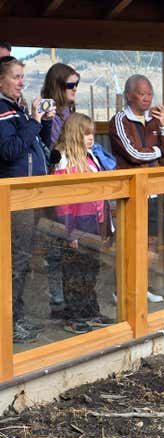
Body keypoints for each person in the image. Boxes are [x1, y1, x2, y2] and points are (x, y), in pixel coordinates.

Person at [0, 56, 55, 342]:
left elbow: (37, 146)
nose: (22, 82)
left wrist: (42, 123)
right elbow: (9, 151)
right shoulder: (1, 111)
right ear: (1, 80)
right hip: (14, 196)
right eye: (16, 77)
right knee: (15, 259)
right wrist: (33, 121)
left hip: (28, 194)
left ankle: (16, 318)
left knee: (20, 259)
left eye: (23, 76)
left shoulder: (16, 110)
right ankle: (8, 324)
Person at [109, 74, 164, 303]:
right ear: (129, 95)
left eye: (150, 94)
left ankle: (141, 286)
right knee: (129, 242)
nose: (147, 98)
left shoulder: (155, 120)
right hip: (131, 193)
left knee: (150, 243)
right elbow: (133, 154)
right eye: (142, 93)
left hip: (153, 191)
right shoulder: (120, 120)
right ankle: (121, 289)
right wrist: (157, 152)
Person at [51, 113, 114, 334]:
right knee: (74, 273)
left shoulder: (91, 158)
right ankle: (73, 316)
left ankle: (90, 311)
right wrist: (70, 233)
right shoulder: (62, 159)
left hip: (94, 224)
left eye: (93, 133)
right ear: (75, 134)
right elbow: (62, 202)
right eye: (86, 133)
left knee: (91, 269)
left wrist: (106, 227)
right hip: (76, 224)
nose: (91, 138)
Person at [41, 62, 80, 315]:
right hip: (55, 183)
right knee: (56, 241)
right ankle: (57, 296)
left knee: (73, 241)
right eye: (70, 85)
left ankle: (71, 293)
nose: (75, 89)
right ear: (58, 86)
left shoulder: (70, 113)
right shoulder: (51, 115)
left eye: (77, 84)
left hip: (74, 183)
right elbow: (54, 149)